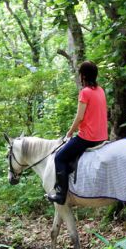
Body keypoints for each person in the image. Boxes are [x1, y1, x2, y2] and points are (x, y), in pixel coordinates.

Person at [47, 61, 108, 205]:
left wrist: (69, 132)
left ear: (83, 75)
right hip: (102, 136)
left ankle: (61, 195)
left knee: (60, 157)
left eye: (80, 73)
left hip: (88, 137)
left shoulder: (85, 92)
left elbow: (79, 117)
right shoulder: (101, 90)